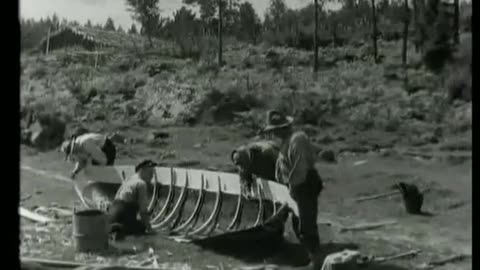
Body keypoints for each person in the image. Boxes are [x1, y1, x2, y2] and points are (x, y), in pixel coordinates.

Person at [260, 110, 324, 270]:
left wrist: (293, 188)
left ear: (282, 128)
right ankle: (308, 256)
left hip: (304, 185)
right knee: (298, 222)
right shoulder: (286, 141)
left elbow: (300, 167)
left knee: (306, 223)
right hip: (296, 186)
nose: (273, 133)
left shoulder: (297, 139)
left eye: (275, 130)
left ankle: (316, 261)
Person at [108, 159, 156, 240]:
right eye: (150, 172)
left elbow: (116, 198)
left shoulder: (128, 180)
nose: (152, 176)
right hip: (123, 213)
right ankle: (120, 229)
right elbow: (143, 211)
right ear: (141, 170)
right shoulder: (141, 184)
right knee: (141, 227)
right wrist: (149, 229)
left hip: (112, 213)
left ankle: (113, 227)